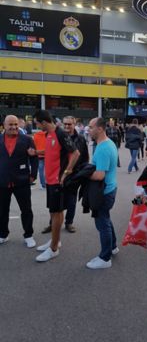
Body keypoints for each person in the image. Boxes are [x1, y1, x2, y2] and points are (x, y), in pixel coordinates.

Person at [33, 110, 80, 262]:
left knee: (57, 212)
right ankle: (55, 240)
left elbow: (76, 153)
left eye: (38, 124)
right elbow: (50, 152)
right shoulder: (48, 134)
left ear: (44, 122)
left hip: (58, 181)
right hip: (50, 180)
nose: (37, 126)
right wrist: (36, 152)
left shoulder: (61, 134)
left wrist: (66, 172)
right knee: (53, 212)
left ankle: (54, 248)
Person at [0, 115, 38, 248]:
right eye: (10, 124)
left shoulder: (27, 139)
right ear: (4, 125)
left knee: (26, 209)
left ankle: (28, 235)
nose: (14, 127)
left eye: (16, 124)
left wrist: (33, 175)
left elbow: (34, 158)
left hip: (22, 181)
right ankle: (3, 234)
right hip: (2, 182)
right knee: (2, 210)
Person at [86, 117, 118, 269]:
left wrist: (82, 174)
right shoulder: (106, 143)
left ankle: (105, 258)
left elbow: (99, 175)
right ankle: (113, 247)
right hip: (109, 189)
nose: (88, 129)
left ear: (100, 129)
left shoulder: (104, 148)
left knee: (102, 223)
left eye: (91, 127)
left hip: (104, 192)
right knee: (106, 219)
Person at [62, 116, 89, 232]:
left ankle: (69, 223)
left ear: (74, 125)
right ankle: (53, 222)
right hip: (60, 173)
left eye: (69, 124)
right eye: (65, 124)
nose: (67, 126)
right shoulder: (60, 137)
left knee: (72, 200)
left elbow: (85, 157)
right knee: (57, 199)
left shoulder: (81, 139)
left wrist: (81, 172)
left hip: (75, 174)